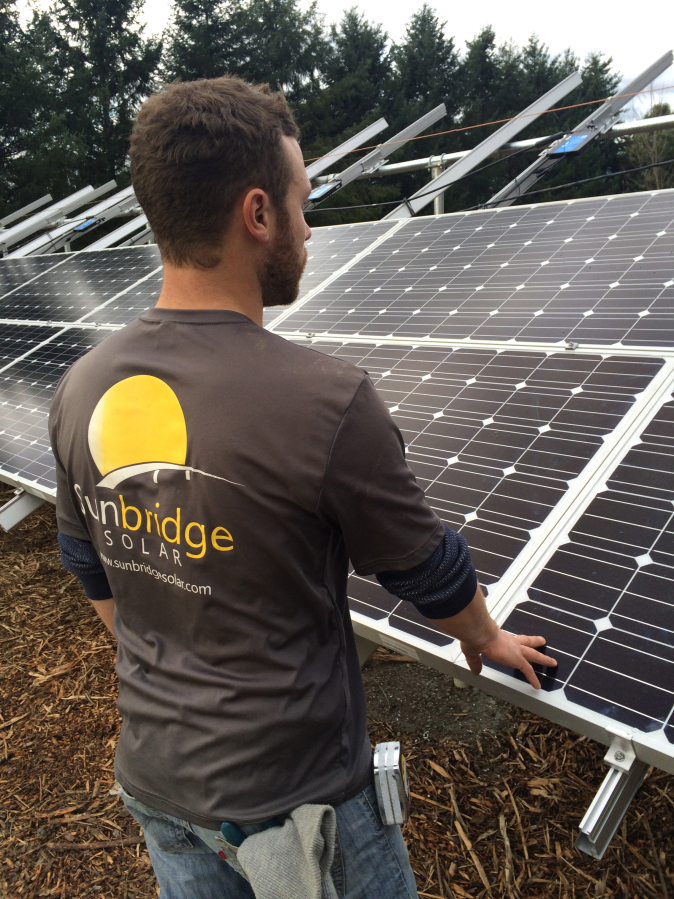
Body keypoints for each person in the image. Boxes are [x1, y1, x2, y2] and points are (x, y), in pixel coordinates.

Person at [49, 76, 557, 899]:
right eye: (301, 203)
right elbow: (426, 571)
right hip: (301, 801)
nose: (309, 229)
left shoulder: (83, 385)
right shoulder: (325, 399)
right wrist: (484, 636)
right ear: (258, 215)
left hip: (157, 782)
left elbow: (87, 561)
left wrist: (169, 646)